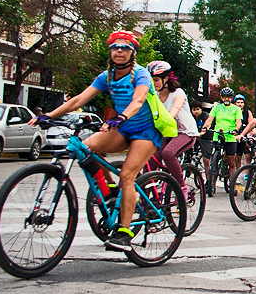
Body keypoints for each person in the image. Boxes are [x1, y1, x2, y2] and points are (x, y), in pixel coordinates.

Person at [30, 30, 160, 252]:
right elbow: (80, 99)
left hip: (146, 131)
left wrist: (121, 117)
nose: (119, 50)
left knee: (128, 176)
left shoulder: (140, 74)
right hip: (123, 128)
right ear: (110, 51)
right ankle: (109, 190)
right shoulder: (106, 76)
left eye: (125, 47)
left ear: (132, 53)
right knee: (86, 147)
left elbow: (138, 100)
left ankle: (124, 233)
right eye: (115, 47)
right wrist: (49, 115)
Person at [147, 61, 199, 198]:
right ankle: (146, 199)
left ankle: (183, 187)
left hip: (185, 133)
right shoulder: (155, 96)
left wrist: (167, 117)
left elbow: (174, 110)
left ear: (166, 79)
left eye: (156, 80)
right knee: (150, 159)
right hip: (168, 133)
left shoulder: (178, 93)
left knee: (168, 153)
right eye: (152, 80)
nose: (154, 83)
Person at [202, 87, 243, 187]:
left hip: (230, 136)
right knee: (214, 159)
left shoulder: (236, 109)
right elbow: (209, 120)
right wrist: (204, 127)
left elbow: (239, 122)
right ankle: (211, 183)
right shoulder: (217, 108)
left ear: (231, 98)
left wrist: (236, 130)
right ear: (221, 97)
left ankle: (232, 184)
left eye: (228, 97)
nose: (226, 99)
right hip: (218, 136)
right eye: (224, 97)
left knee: (231, 162)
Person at [234, 93, 256, 165]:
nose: (240, 104)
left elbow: (251, 124)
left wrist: (250, 135)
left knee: (248, 156)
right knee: (237, 157)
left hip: (245, 136)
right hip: (235, 135)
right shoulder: (233, 112)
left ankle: (247, 173)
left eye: (241, 102)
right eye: (238, 102)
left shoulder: (247, 112)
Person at [191, 101, 212, 179]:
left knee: (206, 160)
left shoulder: (205, 116)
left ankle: (208, 180)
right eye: (194, 109)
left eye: (197, 109)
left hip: (206, 138)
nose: (196, 111)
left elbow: (207, 127)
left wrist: (200, 134)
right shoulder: (191, 117)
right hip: (195, 137)